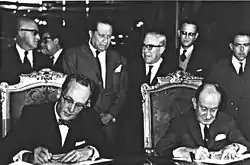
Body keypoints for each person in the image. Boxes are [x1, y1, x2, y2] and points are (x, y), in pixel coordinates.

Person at [0, 74, 109, 164]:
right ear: (59, 93)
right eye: (68, 100)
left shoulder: (89, 116)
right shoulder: (33, 114)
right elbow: (5, 149)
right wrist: (29, 157)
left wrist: (90, 151)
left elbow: (108, 148)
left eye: (79, 105)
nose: (71, 109)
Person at [62, 16, 128, 155]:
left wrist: (111, 113)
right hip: (81, 124)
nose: (106, 41)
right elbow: (68, 92)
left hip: (111, 126)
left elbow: (123, 91)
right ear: (91, 34)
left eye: (109, 36)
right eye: (101, 35)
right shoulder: (72, 56)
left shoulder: (119, 59)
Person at [155, 83, 250, 164]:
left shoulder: (227, 121)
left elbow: (245, 144)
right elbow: (161, 148)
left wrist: (234, 147)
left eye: (213, 110)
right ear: (195, 103)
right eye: (204, 109)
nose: (208, 116)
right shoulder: (181, 123)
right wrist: (188, 151)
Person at [125, 29, 176, 155]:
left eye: (150, 47)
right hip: (132, 136)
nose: (145, 51)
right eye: (144, 46)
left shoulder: (173, 73)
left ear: (162, 49)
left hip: (160, 136)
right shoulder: (131, 68)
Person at [207, 31, 250, 143]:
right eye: (238, 45)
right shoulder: (218, 68)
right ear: (231, 46)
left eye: (245, 45)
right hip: (225, 127)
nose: (242, 50)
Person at [0, 16, 50, 84]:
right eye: (34, 33)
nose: (38, 37)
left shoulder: (45, 60)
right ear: (21, 33)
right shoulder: (3, 58)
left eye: (38, 34)